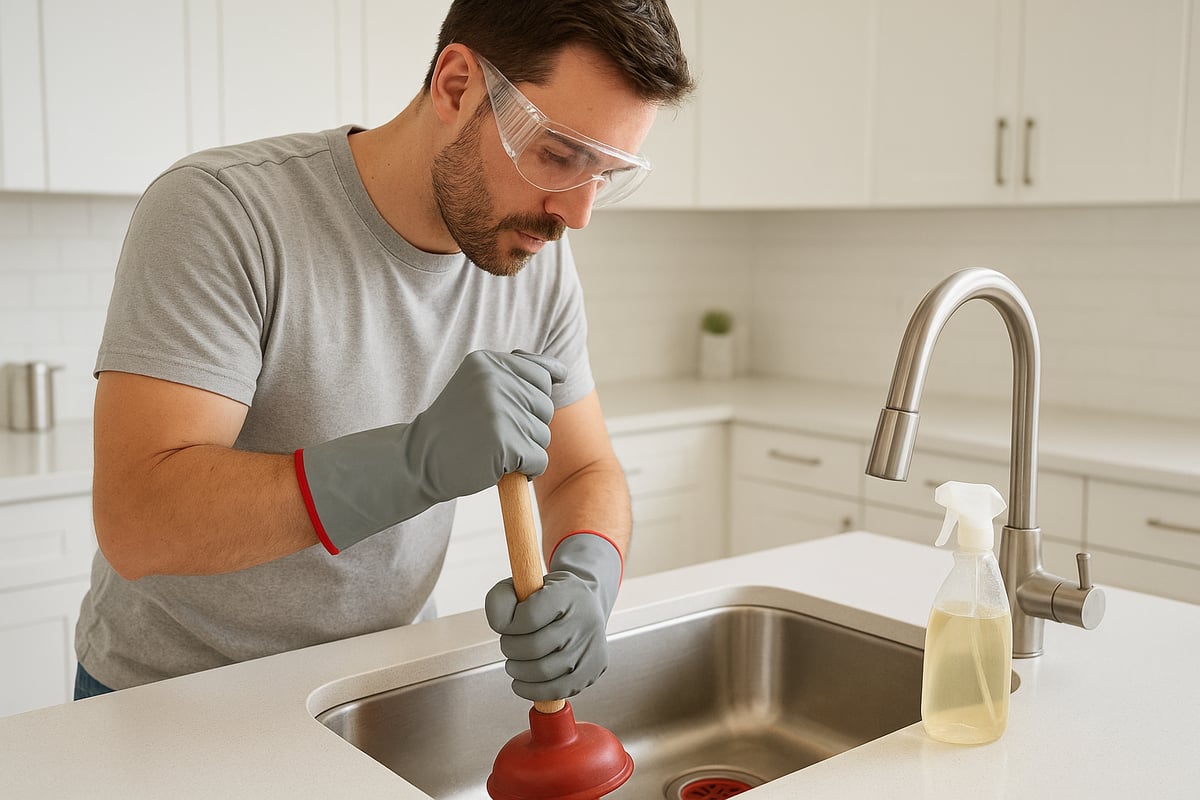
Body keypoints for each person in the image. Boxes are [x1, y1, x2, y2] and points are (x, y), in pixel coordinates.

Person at [74, 0, 692, 703]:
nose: (575, 214)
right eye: (557, 155)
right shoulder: (223, 211)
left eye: (605, 173)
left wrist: (590, 574)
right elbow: (139, 520)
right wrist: (408, 464)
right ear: (456, 86)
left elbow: (581, 466)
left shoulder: (535, 254)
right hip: (171, 699)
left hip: (379, 689)